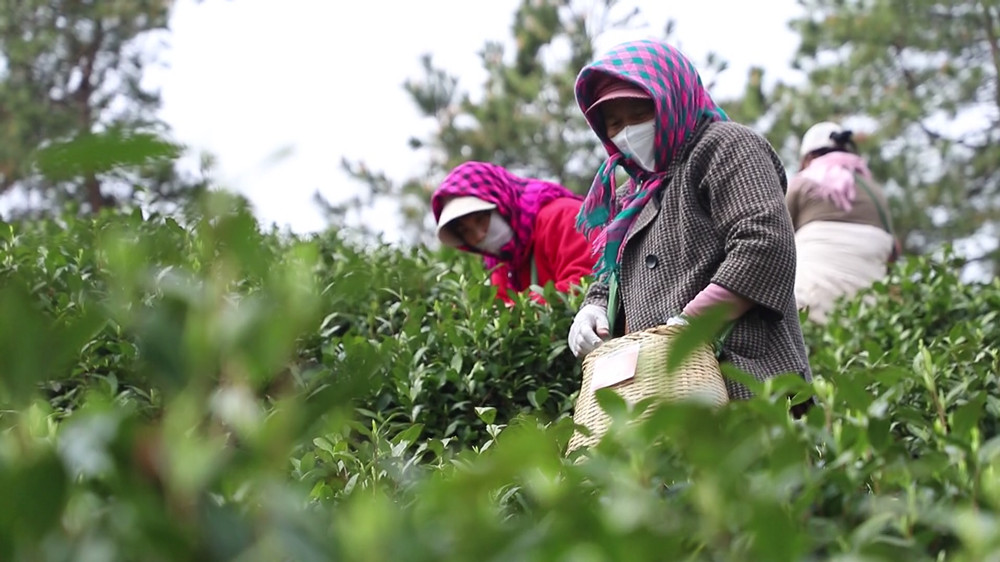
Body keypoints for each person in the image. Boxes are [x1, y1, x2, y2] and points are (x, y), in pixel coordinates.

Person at [565, 39, 813, 410]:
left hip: (748, 382)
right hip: (661, 399)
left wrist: (692, 325)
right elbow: (614, 277)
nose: (627, 132)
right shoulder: (630, 193)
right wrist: (594, 310)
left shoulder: (725, 146)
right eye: (614, 124)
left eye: (638, 114)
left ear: (670, 97)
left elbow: (763, 243)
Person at [431, 161, 598, 304]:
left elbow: (588, 282)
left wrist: (520, 309)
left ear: (502, 202)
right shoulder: (501, 262)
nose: (478, 236)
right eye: (465, 231)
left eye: (481, 219)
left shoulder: (563, 217)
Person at [787, 121, 900, 324]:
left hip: (811, 303)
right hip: (869, 309)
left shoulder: (803, 182)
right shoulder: (876, 192)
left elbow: (773, 233)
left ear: (809, 157)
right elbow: (893, 251)